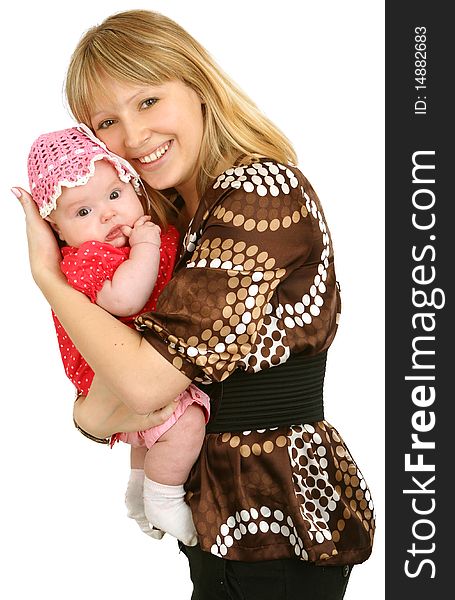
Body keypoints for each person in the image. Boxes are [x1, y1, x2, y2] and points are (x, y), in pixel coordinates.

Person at [13, 9, 375, 600]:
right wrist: (98, 413)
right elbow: (101, 405)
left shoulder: (260, 192)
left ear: (198, 85)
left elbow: (140, 389)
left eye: (148, 101)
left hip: (274, 513)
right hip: (218, 511)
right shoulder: (174, 223)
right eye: (107, 121)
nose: (132, 137)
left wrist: (48, 278)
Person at [26, 124, 210, 547]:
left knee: (156, 432)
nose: (107, 214)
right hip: (113, 370)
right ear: (58, 232)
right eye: (83, 212)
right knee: (186, 423)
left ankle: (139, 488)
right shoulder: (88, 259)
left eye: (114, 195)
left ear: (134, 189)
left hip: (133, 370)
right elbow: (125, 300)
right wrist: (146, 247)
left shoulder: (146, 234)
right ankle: (163, 496)